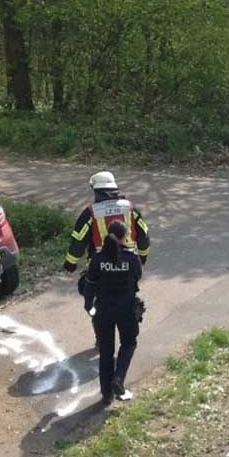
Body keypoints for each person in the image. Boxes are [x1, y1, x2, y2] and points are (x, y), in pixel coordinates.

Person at [82, 221, 142, 405]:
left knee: (106, 352)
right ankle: (119, 378)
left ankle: (106, 394)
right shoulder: (131, 259)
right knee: (129, 343)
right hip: (126, 310)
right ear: (125, 236)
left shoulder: (98, 259)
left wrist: (88, 305)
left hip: (104, 311)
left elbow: (90, 283)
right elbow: (138, 277)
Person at [65, 171, 151, 273]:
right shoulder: (130, 208)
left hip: (100, 264)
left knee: (86, 286)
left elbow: (79, 240)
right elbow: (143, 234)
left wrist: (70, 263)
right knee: (132, 287)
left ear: (96, 190)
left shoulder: (91, 212)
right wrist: (143, 257)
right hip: (128, 262)